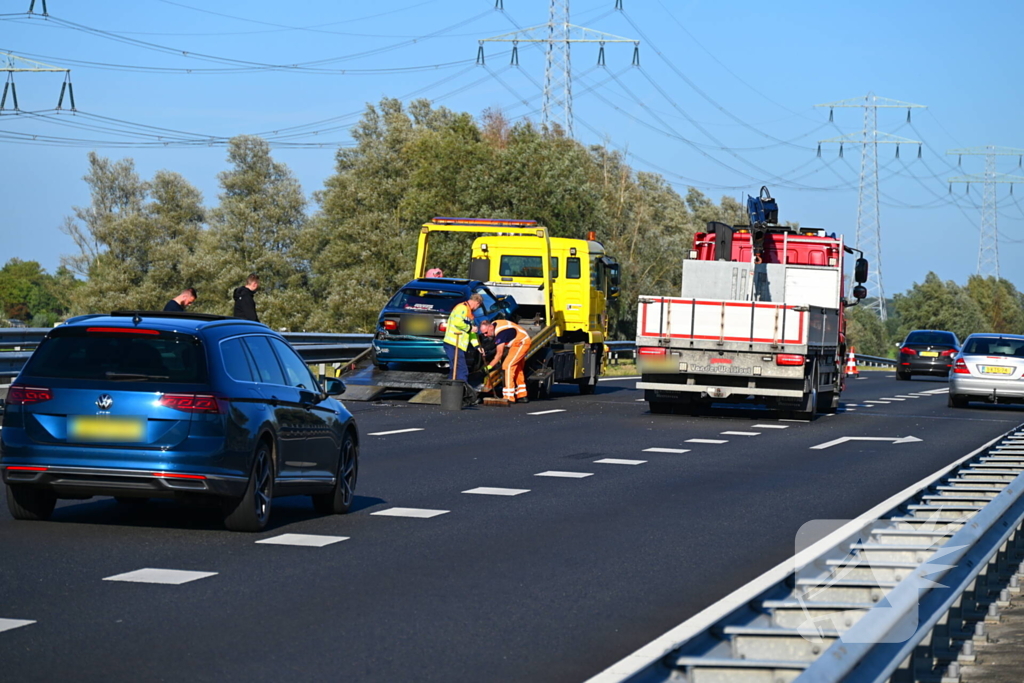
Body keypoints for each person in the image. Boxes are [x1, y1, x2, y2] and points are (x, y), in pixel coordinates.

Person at [480, 318, 532, 403]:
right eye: (483, 334)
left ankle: (509, 396)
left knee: (507, 366)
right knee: (517, 368)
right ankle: (522, 395)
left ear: (490, 327)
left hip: (521, 343)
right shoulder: (494, 325)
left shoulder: (501, 333)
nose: (485, 335)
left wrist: (489, 367)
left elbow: (499, 354)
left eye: (486, 333)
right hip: (518, 341)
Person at [443, 293, 483, 388]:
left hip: (459, 345)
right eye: (478, 306)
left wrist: (477, 346)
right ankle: (462, 391)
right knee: (461, 369)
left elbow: (471, 333)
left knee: (456, 368)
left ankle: (451, 389)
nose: (477, 309)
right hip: (453, 343)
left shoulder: (470, 314)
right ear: (477, 303)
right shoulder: (462, 308)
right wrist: (469, 328)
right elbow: (457, 322)